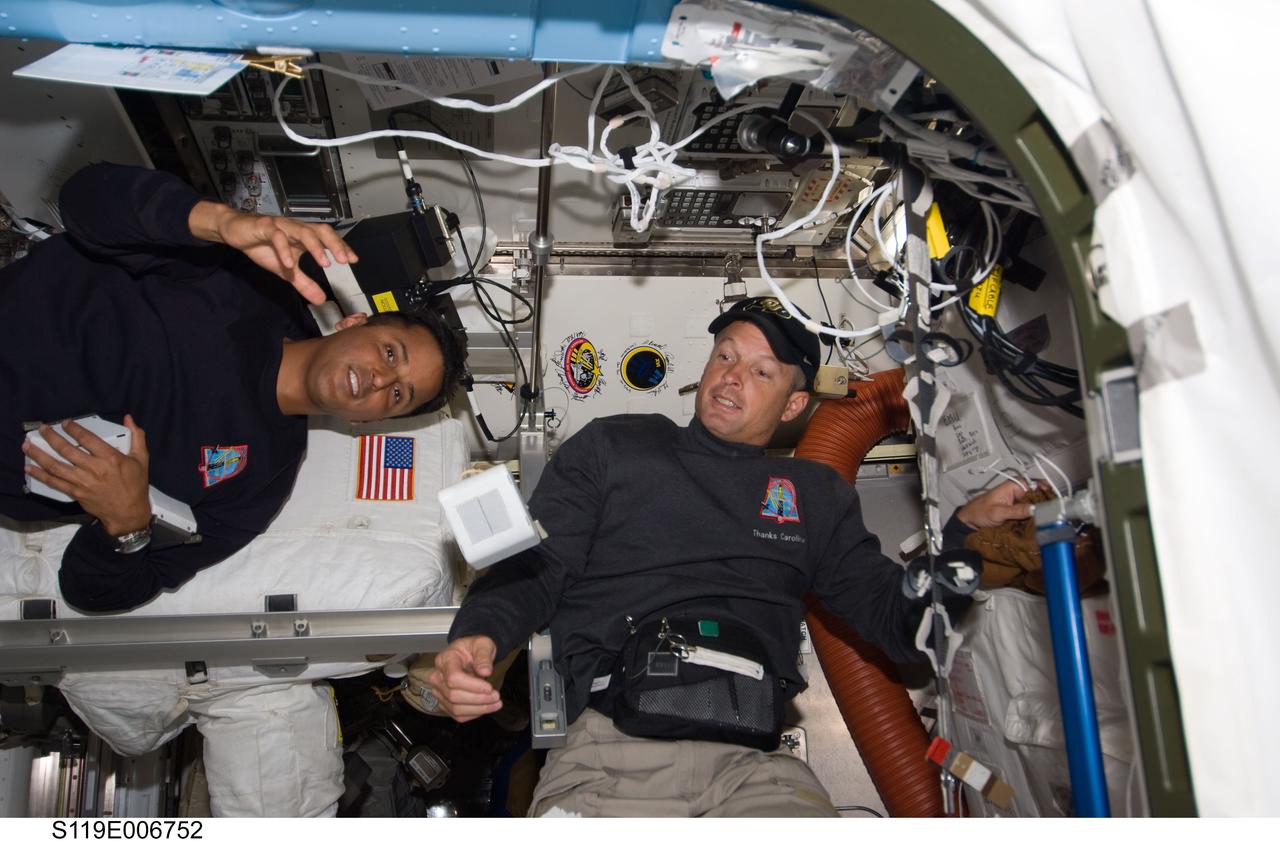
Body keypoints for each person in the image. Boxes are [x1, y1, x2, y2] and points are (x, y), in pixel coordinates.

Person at [425, 295, 1035, 817]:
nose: (733, 376)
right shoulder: (616, 445)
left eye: (762, 371)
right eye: (725, 356)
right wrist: (480, 634)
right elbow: (538, 567)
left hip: (756, 769)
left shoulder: (815, 496)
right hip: (612, 754)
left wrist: (960, 543)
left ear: (793, 406)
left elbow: (897, 624)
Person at [0, 163, 466, 612]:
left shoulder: (257, 486)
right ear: (354, 322)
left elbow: (96, 593)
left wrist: (126, 523)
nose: (381, 379)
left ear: (367, 421)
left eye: (398, 395)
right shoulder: (243, 280)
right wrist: (218, 222)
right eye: (390, 353)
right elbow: (83, 198)